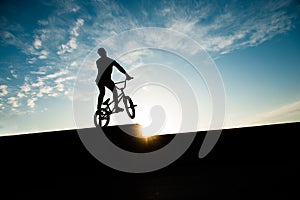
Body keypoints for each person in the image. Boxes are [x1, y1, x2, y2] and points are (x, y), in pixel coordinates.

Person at [95, 48, 133, 113]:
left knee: (102, 93)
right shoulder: (110, 61)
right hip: (106, 79)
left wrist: (127, 75)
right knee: (114, 91)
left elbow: (119, 67)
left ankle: (98, 109)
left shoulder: (98, 61)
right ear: (105, 52)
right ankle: (116, 107)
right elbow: (119, 67)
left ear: (99, 54)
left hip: (99, 80)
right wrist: (127, 75)